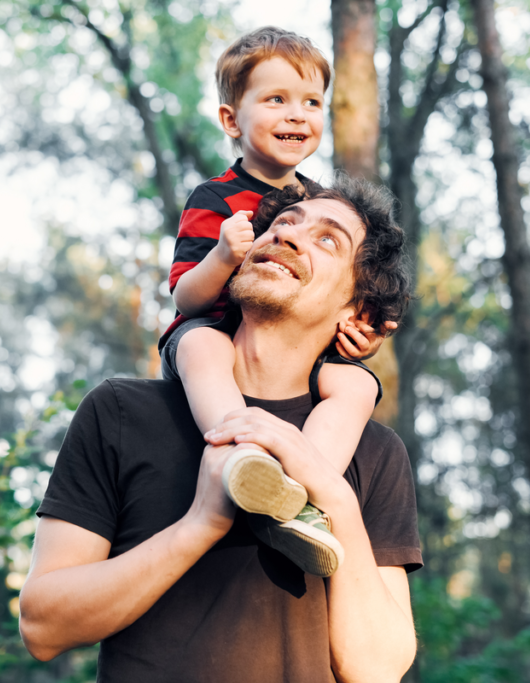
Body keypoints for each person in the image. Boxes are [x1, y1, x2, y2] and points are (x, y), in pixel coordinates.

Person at [19, 175, 421, 682]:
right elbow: (43, 626)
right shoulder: (121, 412)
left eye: (327, 239)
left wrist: (332, 497)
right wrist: (201, 523)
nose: (287, 235)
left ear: (356, 310)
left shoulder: (374, 451)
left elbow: (376, 670)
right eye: (281, 223)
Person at [162, 26, 396, 575]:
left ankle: (303, 495)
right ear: (231, 120)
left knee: (358, 382)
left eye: (311, 102)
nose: (297, 115)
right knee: (201, 346)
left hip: (294, 352)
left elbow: (341, 290)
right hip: (217, 333)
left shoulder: (320, 203)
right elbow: (185, 297)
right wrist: (222, 257)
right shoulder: (214, 198)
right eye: (276, 100)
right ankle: (240, 457)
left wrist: (360, 332)